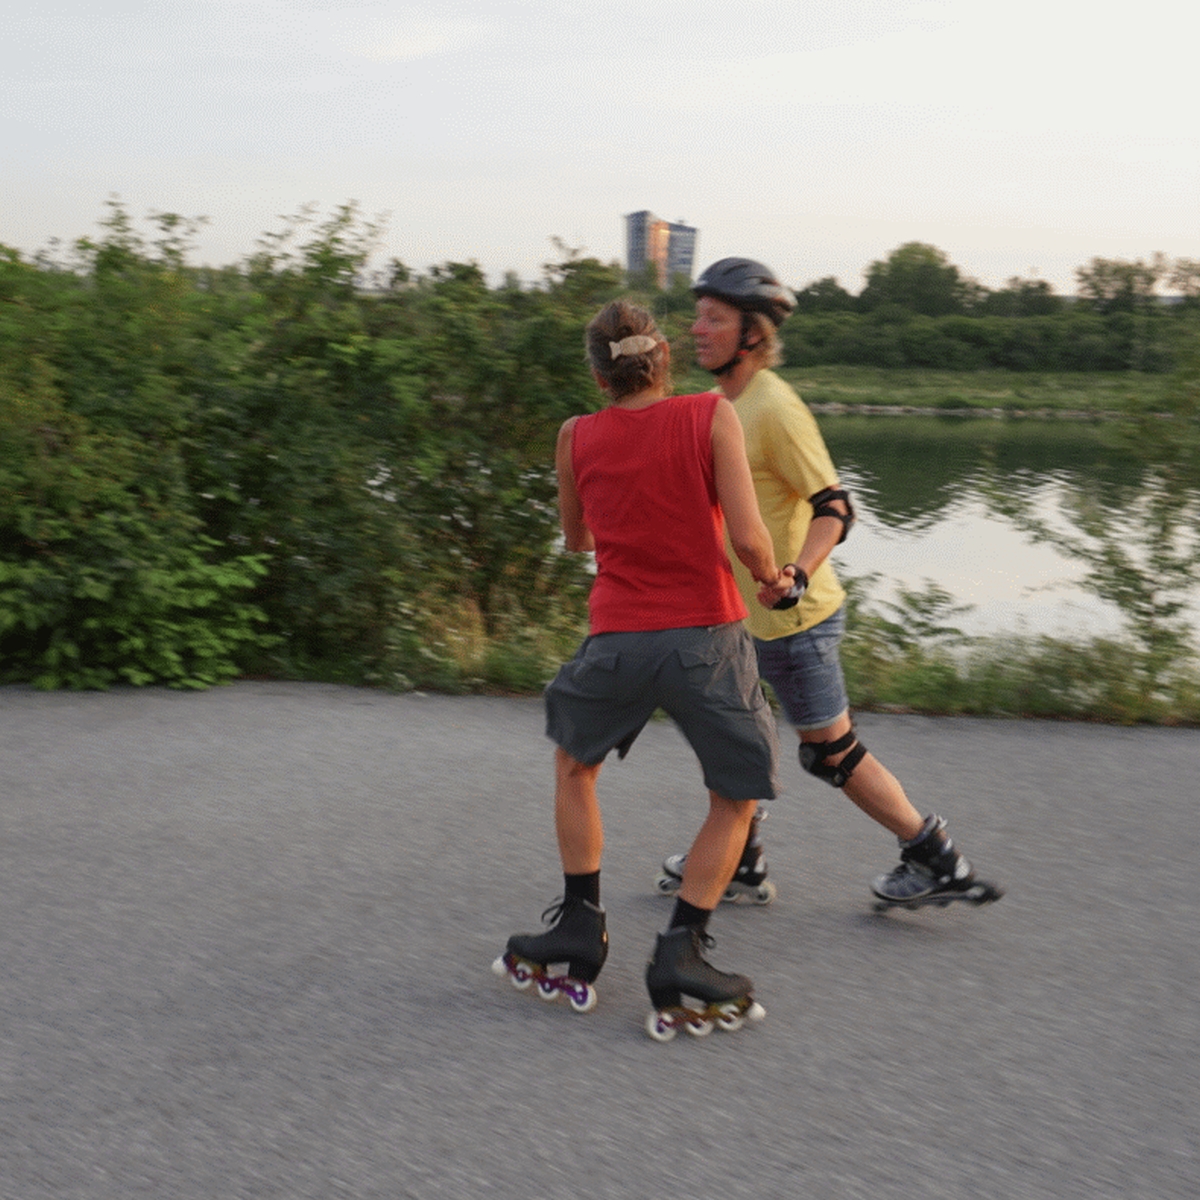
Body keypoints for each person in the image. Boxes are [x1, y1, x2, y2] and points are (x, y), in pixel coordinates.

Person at [655, 258, 1003, 911]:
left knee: (830, 753)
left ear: (752, 333)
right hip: (741, 618)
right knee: (730, 735)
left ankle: (935, 858)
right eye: (697, 316)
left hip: (794, 619)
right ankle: (741, 860)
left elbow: (835, 506)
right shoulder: (722, 407)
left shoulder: (774, 407)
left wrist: (797, 574)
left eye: (713, 318)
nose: (697, 329)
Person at [492, 299, 795, 1039]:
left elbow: (576, 539)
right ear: (664, 363)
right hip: (705, 641)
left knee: (575, 766)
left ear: (600, 378)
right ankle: (682, 950)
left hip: (617, 640)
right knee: (736, 794)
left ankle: (578, 923)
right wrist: (774, 580)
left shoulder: (575, 435)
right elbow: (750, 537)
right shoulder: (710, 415)